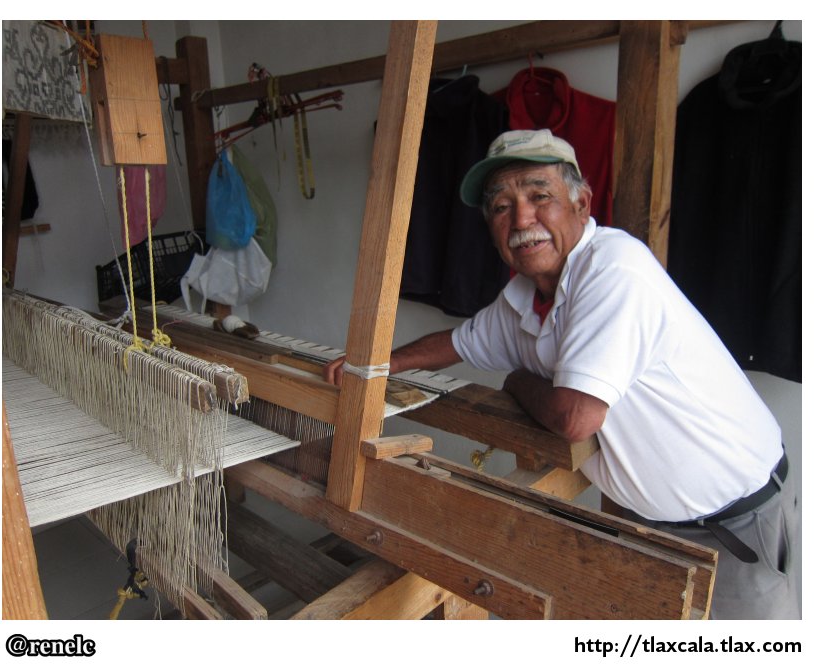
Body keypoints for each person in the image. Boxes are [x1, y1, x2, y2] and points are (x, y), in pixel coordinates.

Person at [323, 129, 799, 620]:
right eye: (501, 207)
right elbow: (455, 344)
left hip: (734, 526)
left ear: (581, 203)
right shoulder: (523, 300)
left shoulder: (612, 268)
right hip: (656, 526)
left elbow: (575, 417)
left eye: (538, 195)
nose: (521, 219)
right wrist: (376, 365)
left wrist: (516, 381)